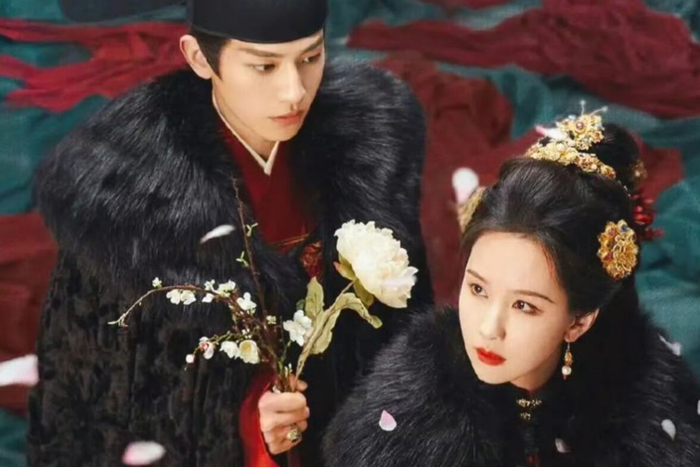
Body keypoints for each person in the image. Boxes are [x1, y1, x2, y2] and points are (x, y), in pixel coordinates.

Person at [28, 0, 433, 465]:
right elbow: (96, 391)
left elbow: (403, 340)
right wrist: (249, 423)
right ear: (200, 57)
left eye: (310, 57)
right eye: (264, 66)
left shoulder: (366, 155)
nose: (294, 92)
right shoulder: (124, 195)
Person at [323, 113, 700, 466]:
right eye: (478, 289)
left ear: (579, 321)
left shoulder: (641, 413)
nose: (489, 328)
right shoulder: (411, 400)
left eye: (524, 306)